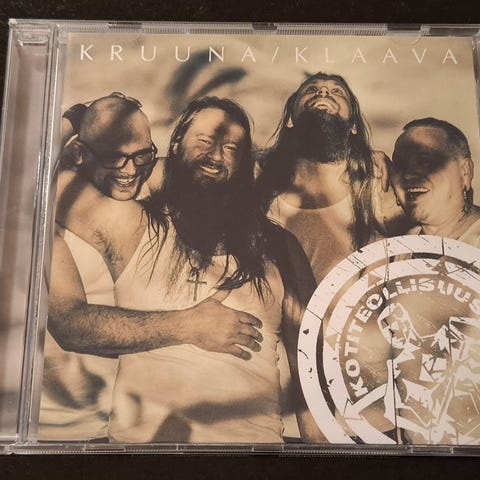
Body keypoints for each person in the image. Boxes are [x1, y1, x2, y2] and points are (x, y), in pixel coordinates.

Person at [48, 96, 320, 443]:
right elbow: (34, 184)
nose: (216, 155)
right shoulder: (135, 226)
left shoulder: (278, 245)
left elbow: (309, 361)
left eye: (231, 148)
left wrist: (320, 452)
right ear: (175, 145)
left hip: (253, 453)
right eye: (204, 141)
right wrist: (77, 117)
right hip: (145, 454)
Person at [39, 93, 160, 440]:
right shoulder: (49, 217)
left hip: (137, 427)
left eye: (142, 155)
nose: (130, 170)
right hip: (70, 433)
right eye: (114, 158)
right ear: (79, 154)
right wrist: (73, 118)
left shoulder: (149, 193)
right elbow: (72, 329)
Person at [383, 117, 480, 444]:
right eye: (401, 166)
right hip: (415, 454)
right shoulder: (396, 255)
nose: (411, 174)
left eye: (426, 161)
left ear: (465, 171)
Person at [257, 71, 404, 285]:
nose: (324, 92)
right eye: (311, 89)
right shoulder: (260, 182)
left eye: (337, 91)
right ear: (289, 119)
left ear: (353, 125)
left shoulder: (377, 183)